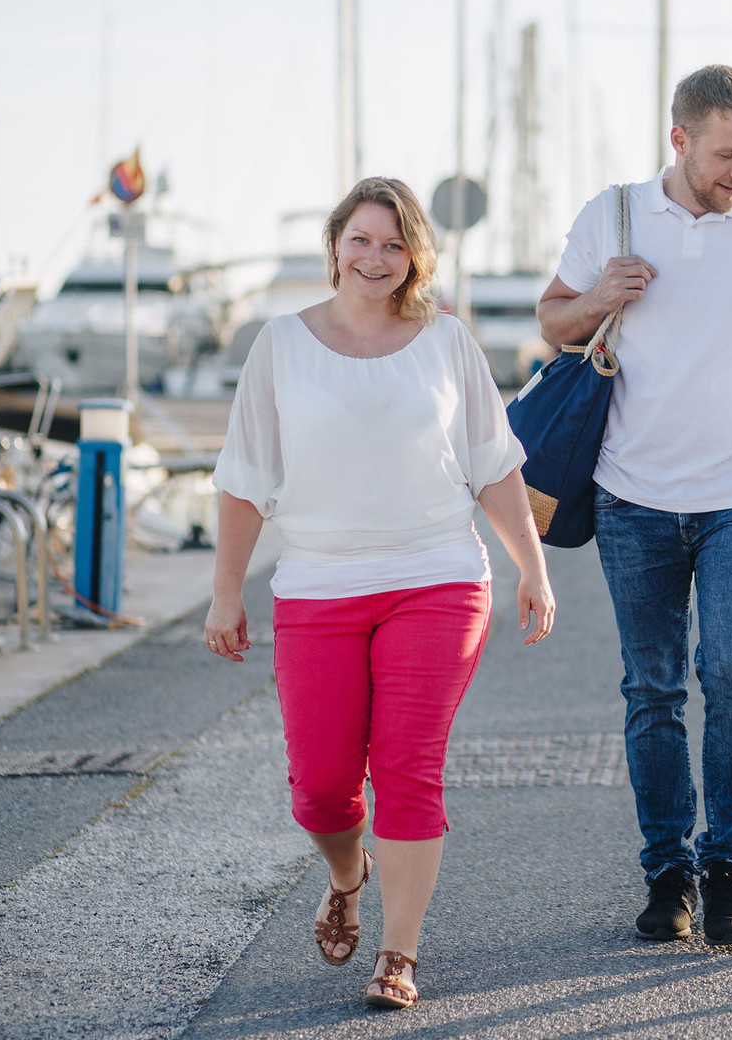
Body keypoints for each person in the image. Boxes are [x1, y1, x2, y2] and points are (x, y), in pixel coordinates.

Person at [204, 177, 555, 1010]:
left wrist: (531, 568)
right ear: (335, 245)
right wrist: (225, 596)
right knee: (323, 788)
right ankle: (346, 869)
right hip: (319, 585)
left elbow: (494, 465)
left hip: (436, 578)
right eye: (361, 239)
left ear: (414, 258)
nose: (374, 257)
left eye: (393, 244)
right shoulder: (280, 346)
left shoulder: (446, 342)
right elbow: (245, 482)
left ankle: (398, 953)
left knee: (407, 767)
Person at [537, 65, 732, 945]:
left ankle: (728, 867)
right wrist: (602, 294)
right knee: (651, 688)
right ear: (678, 140)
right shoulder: (613, 213)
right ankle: (667, 872)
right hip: (632, 494)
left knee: (731, 671)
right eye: (727, 153)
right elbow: (552, 321)